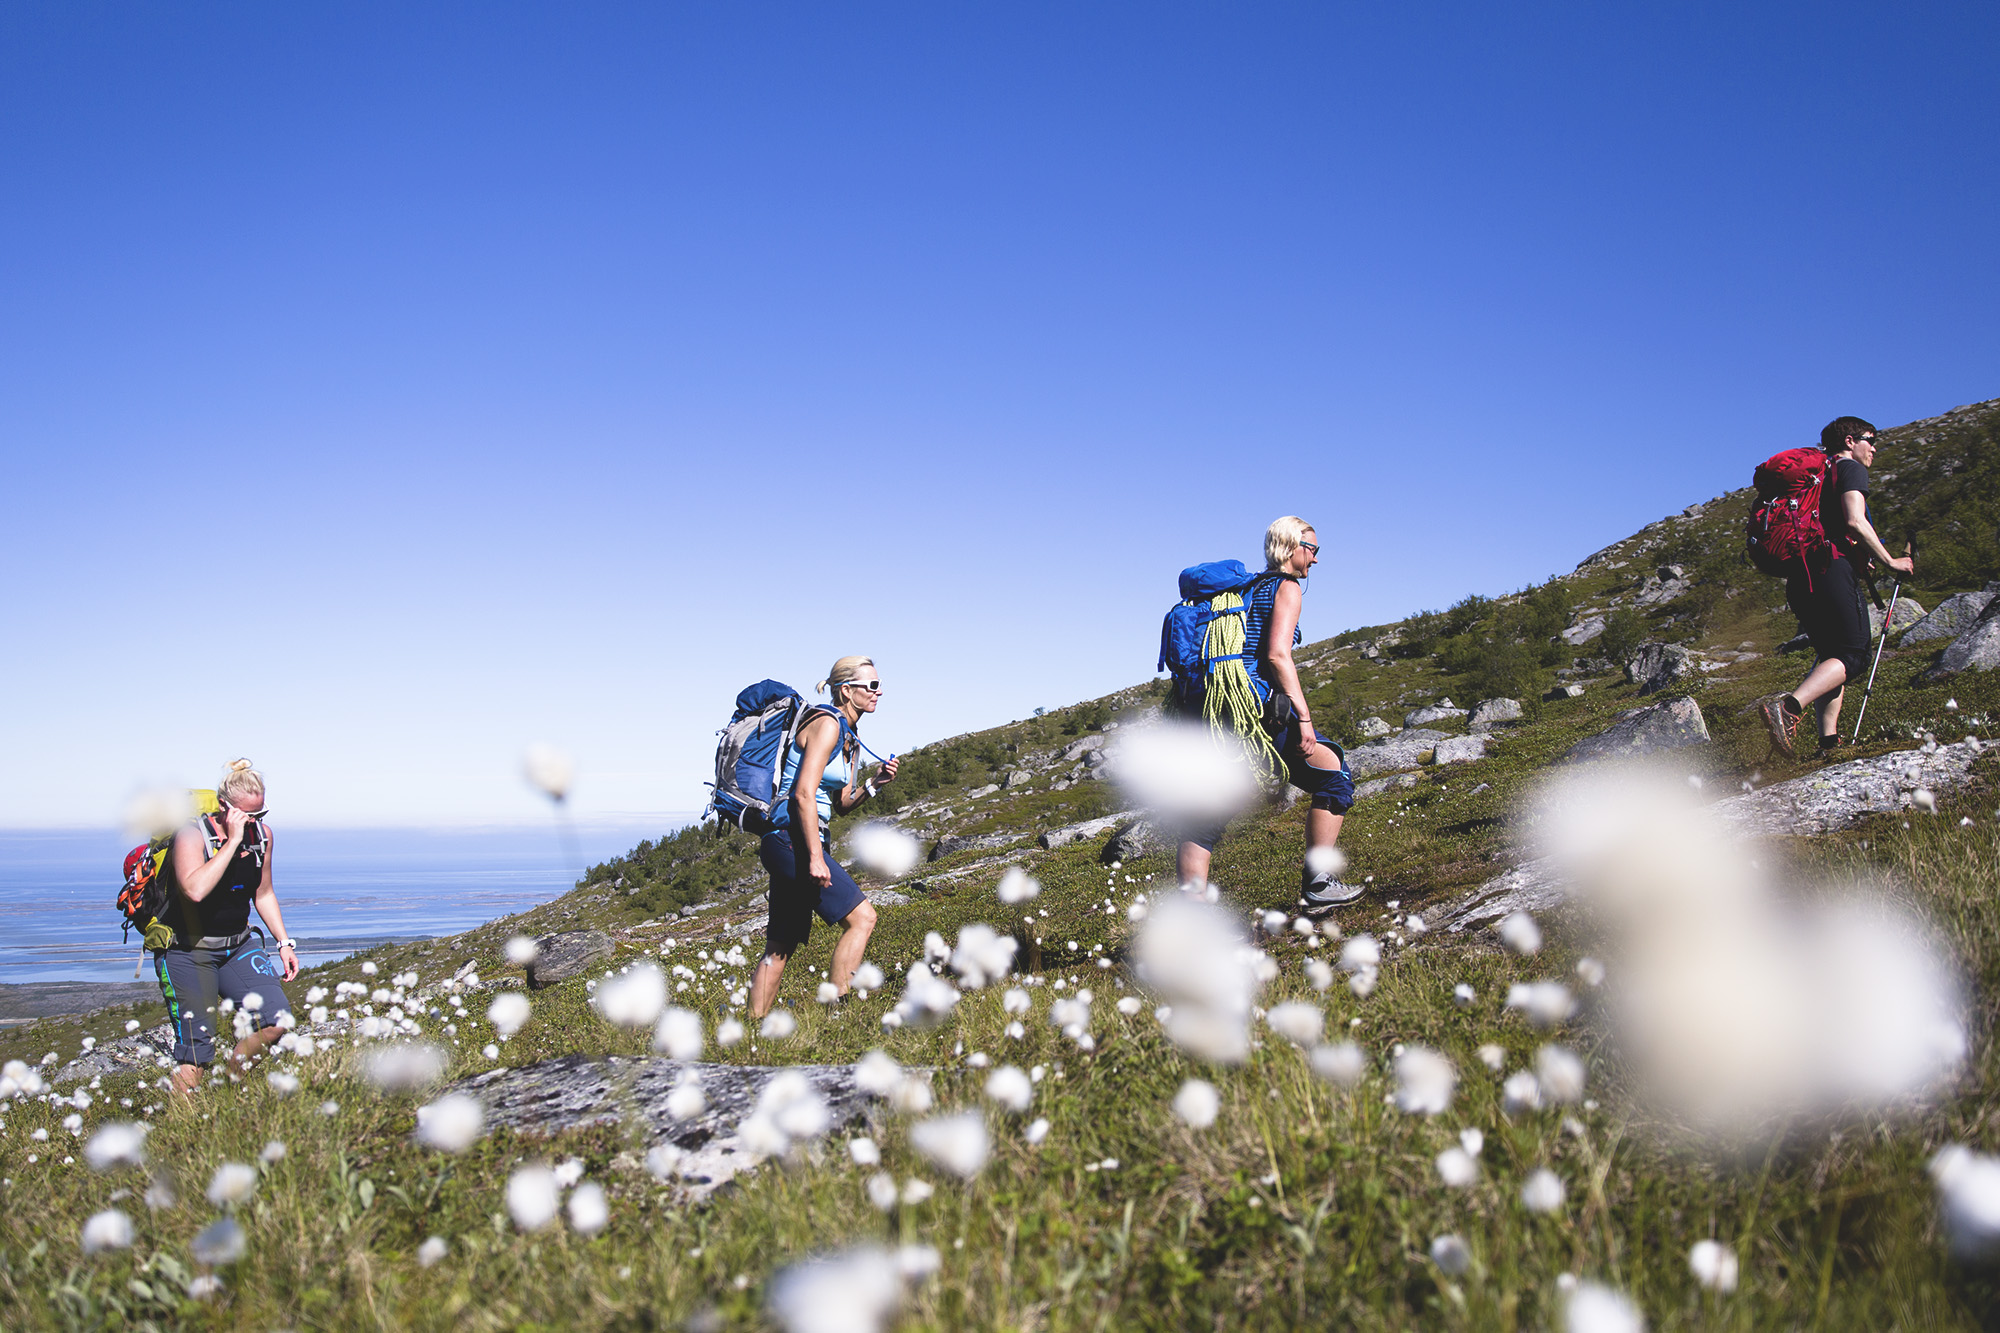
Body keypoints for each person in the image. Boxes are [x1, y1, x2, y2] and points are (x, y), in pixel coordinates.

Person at [1176, 517, 1359, 915]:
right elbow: (1277, 655)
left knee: (1207, 814)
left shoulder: (1248, 587)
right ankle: (1319, 885)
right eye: (1311, 548)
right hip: (1257, 709)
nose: (1315, 558)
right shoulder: (1286, 587)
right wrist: (1304, 718)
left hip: (1221, 709)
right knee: (1335, 777)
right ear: (1291, 546)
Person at [748, 657, 899, 1017]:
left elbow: (843, 803)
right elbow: (802, 794)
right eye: (871, 686)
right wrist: (815, 857)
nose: (878, 693)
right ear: (846, 690)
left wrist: (874, 784)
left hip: (796, 840)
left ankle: (753, 1027)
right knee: (863, 919)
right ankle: (839, 1010)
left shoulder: (851, 736)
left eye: (879, 685)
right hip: (792, 838)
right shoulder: (827, 724)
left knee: (780, 945)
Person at [1760, 417, 1914, 756]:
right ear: (1849, 440)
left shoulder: (1819, 475)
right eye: (1870, 439)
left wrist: (1860, 556)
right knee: (1853, 656)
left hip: (1803, 576)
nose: (1874, 447)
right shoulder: (1849, 469)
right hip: (1832, 571)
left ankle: (1827, 742)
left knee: (1831, 656)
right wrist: (1891, 561)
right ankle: (1787, 709)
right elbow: (1854, 520)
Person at [157, 759, 300, 1094]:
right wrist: (232, 842)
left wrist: (284, 942)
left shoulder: (262, 837)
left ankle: (229, 1091)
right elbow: (194, 890)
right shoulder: (192, 836)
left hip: (238, 945)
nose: (255, 822)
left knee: (278, 1022)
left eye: (260, 814)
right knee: (196, 1053)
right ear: (225, 807)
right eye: (248, 814)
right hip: (188, 950)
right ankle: (183, 1131)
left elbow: (263, 892)